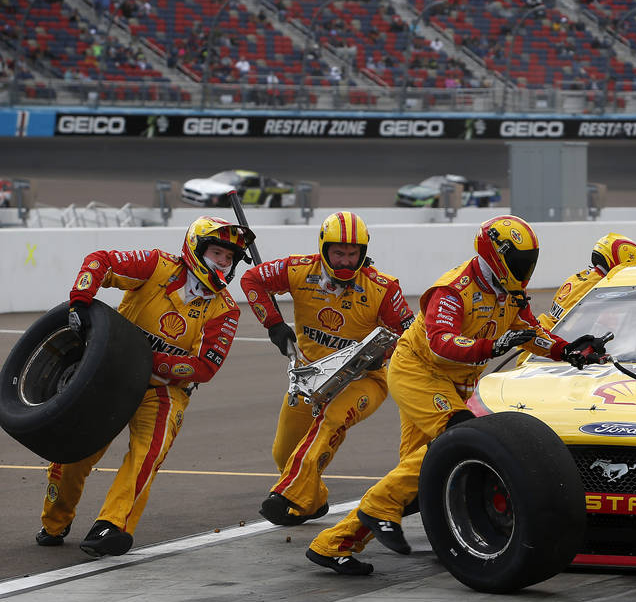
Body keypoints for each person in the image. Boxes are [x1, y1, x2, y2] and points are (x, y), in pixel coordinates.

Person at [305, 215, 611, 575]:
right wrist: (492, 345)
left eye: (529, 261)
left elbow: (529, 332)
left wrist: (568, 351)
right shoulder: (452, 290)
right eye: (519, 261)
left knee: (422, 473)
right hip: (419, 370)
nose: (525, 268)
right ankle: (377, 507)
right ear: (496, 255)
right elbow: (440, 342)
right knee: (457, 441)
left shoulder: (509, 290)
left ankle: (333, 544)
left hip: (453, 381)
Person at [35, 216, 249, 556]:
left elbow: (205, 367)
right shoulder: (156, 266)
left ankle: (112, 525)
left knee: (148, 453)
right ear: (196, 248)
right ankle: (54, 521)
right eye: (217, 252)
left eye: (229, 258)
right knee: (72, 456)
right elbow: (100, 260)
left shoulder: (226, 309)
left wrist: (148, 360)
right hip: (111, 379)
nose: (223, 262)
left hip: (165, 390)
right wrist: (80, 298)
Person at [240, 211, 415, 527]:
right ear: (324, 248)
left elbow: (410, 333)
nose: (346, 261)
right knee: (284, 453)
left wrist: (382, 352)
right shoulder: (298, 269)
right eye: (339, 253)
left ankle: (286, 495)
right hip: (310, 378)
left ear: (363, 252)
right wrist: (274, 324)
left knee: (331, 420)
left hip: (363, 379)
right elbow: (252, 279)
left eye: (353, 254)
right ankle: (313, 501)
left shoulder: (383, 287)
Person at [537, 232, 636, 329]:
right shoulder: (599, 288)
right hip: (550, 348)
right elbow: (575, 329)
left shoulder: (578, 278)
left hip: (539, 340)